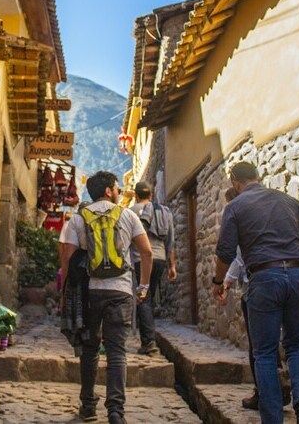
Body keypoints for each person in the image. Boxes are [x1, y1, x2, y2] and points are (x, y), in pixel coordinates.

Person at [212, 162, 299, 424]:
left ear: (235, 182)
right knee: (297, 344)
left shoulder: (235, 207)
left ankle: (272, 419)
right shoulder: (288, 200)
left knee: (265, 353)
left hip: (264, 277)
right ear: (257, 177)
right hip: (298, 274)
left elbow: (225, 253)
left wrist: (217, 281)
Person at [61, 171, 153, 424]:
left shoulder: (79, 219)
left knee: (89, 349)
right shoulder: (128, 215)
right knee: (117, 352)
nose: (119, 191)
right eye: (117, 187)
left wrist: (67, 294)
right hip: (121, 291)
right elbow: (146, 252)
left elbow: (67, 258)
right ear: (110, 191)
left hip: (91, 292)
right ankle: (116, 411)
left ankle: (88, 406)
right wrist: (143, 286)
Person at [216, 187, 291, 411]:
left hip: (256, 286)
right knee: (289, 343)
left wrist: (223, 281)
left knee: (259, 346)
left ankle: (265, 395)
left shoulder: (237, 212)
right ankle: (292, 395)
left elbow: (237, 257)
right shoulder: (271, 208)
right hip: (287, 278)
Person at [129, 181, 177, 356]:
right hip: (161, 259)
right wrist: (172, 266)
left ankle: (149, 343)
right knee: (149, 297)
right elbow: (170, 241)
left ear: (136, 195)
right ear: (151, 195)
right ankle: (148, 340)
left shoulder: (132, 211)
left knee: (144, 298)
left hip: (141, 259)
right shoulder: (165, 212)